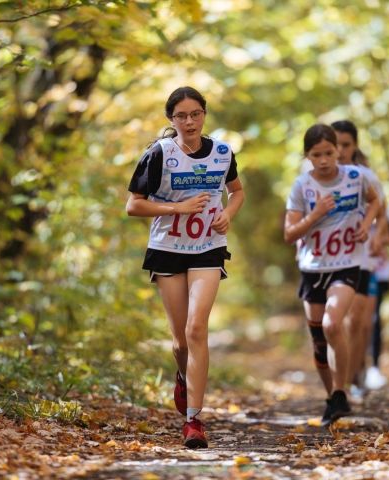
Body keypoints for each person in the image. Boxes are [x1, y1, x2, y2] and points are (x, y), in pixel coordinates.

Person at [126, 86, 244, 448]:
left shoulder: (222, 153)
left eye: (195, 114)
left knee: (197, 329)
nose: (189, 121)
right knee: (180, 342)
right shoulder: (159, 154)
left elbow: (237, 191)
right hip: (168, 249)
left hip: (208, 248)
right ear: (171, 119)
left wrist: (227, 213)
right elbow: (134, 205)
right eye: (181, 116)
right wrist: (177, 208)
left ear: (204, 114)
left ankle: (194, 421)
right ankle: (182, 375)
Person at [284, 124, 380, 426]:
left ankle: (341, 388)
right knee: (318, 341)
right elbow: (289, 233)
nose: (324, 160)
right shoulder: (302, 186)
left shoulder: (356, 177)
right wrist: (315, 216)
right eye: (317, 155)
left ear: (338, 150)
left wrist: (366, 225)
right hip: (313, 267)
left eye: (329, 152)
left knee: (332, 322)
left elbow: (376, 201)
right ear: (307, 156)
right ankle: (333, 399)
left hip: (346, 263)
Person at [331, 120, 388, 399]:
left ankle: (351, 381)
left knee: (359, 322)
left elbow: (382, 209)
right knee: (334, 322)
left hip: (362, 257)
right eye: (336, 144)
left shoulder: (365, 176)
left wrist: (378, 236)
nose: (340, 151)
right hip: (328, 259)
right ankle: (342, 377)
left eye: (346, 145)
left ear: (355, 146)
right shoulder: (316, 176)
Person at [365, 220, 389, 390]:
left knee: (375, 319)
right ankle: (357, 366)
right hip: (354, 268)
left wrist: (379, 238)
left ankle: (374, 368)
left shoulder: (382, 212)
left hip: (378, 272)